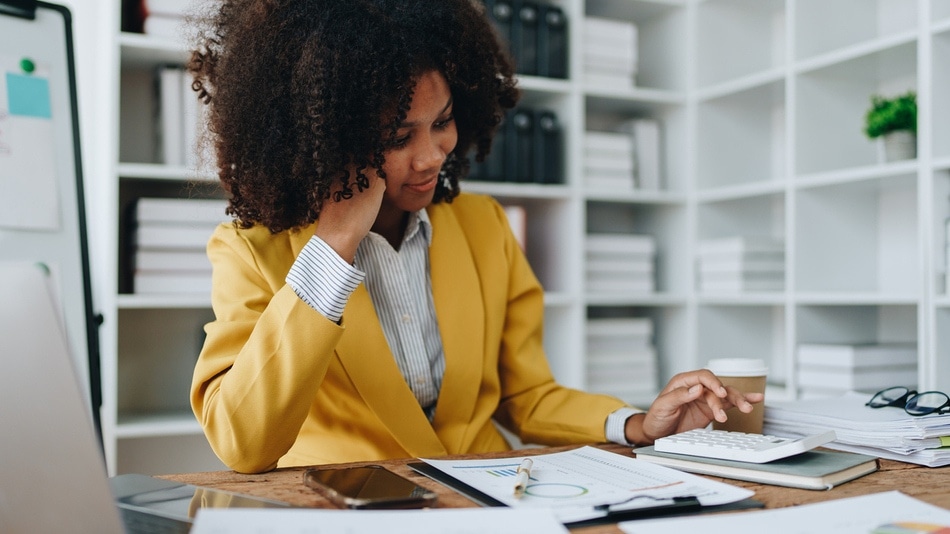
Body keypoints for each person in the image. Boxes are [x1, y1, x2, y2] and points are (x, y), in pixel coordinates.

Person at [187, 0, 763, 474]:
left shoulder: (482, 224)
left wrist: (638, 424)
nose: (433, 154)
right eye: (397, 135)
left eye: (442, 122)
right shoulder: (253, 248)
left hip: (495, 498)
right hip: (354, 513)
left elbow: (527, 396)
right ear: (328, 136)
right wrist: (334, 247)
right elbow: (243, 443)